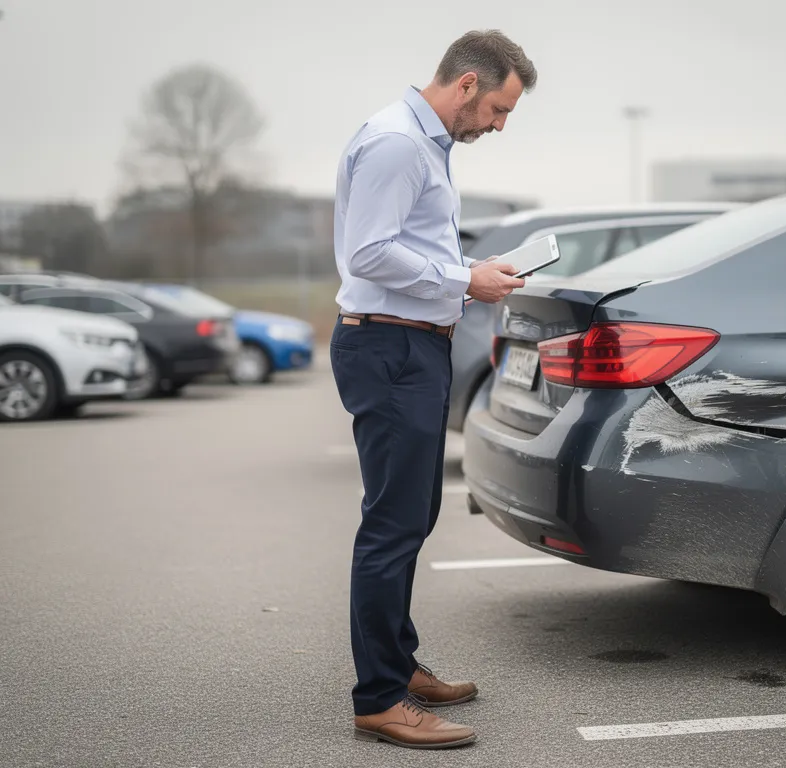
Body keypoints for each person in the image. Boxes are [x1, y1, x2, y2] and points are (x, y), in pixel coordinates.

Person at [329, 30, 537, 750]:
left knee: (411, 518)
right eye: (500, 109)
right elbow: (368, 251)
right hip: (388, 347)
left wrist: (476, 270)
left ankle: (398, 664)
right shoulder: (396, 143)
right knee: (391, 526)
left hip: (411, 345)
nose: (499, 126)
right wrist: (461, 281)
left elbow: (411, 246)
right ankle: (380, 699)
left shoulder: (427, 147)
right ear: (469, 85)